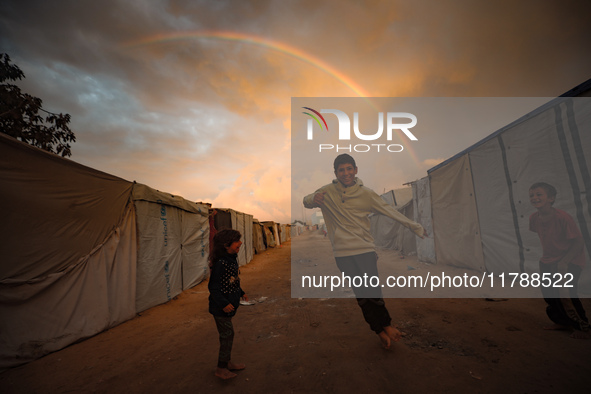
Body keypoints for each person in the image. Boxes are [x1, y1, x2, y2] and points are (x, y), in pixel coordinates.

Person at [303, 154, 427, 349]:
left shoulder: (367, 194)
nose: (346, 173)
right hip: (342, 254)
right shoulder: (326, 192)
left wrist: (414, 226)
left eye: (349, 169)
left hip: (364, 250)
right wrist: (313, 198)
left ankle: (386, 324)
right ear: (335, 173)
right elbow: (307, 201)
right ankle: (378, 330)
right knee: (361, 295)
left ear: (356, 170)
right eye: (341, 170)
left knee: (373, 291)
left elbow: (389, 210)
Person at [529, 182, 589, 339]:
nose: (534, 197)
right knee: (549, 294)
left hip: (569, 260)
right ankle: (562, 322)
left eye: (539, 194)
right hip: (548, 261)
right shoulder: (534, 218)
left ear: (551, 198)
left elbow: (578, 242)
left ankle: (582, 327)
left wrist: (564, 262)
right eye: (532, 195)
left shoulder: (563, 217)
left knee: (566, 294)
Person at [208, 229, 249, 379]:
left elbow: (233, 281)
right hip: (220, 309)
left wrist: (241, 292)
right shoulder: (221, 264)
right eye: (237, 241)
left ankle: (227, 363)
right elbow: (213, 287)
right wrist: (224, 304)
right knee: (227, 335)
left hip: (228, 307)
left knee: (228, 335)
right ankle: (221, 369)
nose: (240, 243)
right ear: (226, 245)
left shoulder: (231, 259)